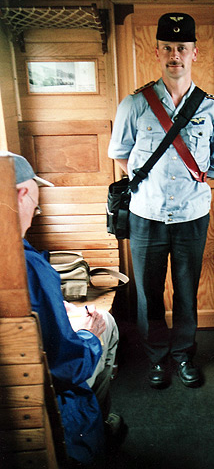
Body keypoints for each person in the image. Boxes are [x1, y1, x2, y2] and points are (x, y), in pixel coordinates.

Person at [108, 13, 214, 389]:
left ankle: (183, 356)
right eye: (168, 48)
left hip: (192, 215)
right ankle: (157, 358)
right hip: (146, 215)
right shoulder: (135, 105)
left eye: (182, 48)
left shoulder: (211, 108)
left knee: (187, 290)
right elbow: (120, 153)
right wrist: (149, 183)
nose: (175, 55)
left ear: (195, 53)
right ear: (157, 52)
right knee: (147, 293)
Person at [4, 151, 125, 467]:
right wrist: (89, 336)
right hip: (32, 397)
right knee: (105, 326)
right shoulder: (26, 266)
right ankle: (94, 426)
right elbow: (67, 366)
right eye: (36, 204)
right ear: (21, 194)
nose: (36, 212)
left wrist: (57, 307)